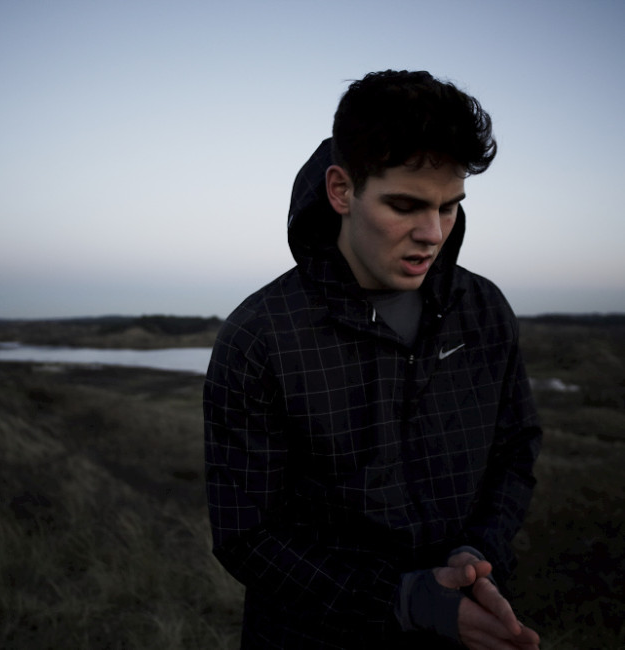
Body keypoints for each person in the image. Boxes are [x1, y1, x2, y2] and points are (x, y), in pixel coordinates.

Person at [204, 70, 542, 649]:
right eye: (405, 205)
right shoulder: (260, 337)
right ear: (341, 191)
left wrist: (477, 553)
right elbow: (247, 536)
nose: (432, 233)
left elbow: (515, 450)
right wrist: (405, 600)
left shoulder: (483, 309)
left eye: (449, 207)